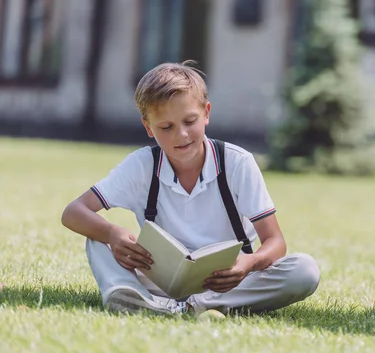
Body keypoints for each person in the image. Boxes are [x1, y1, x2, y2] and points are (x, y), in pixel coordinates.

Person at [61, 61, 320, 316]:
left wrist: (248, 263)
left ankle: (182, 306)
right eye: (166, 127)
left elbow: (275, 242)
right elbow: (74, 212)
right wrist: (111, 232)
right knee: (97, 240)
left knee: (305, 270)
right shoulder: (141, 165)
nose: (181, 135)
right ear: (148, 127)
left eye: (190, 121)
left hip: (227, 284)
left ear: (206, 112)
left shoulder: (237, 163)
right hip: (159, 281)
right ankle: (133, 295)